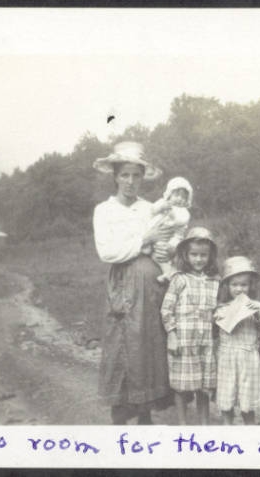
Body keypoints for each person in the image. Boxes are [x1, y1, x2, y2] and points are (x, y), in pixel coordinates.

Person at [92, 141, 176, 425]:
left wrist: (164, 249)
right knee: (122, 345)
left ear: (142, 177)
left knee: (148, 344)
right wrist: (144, 241)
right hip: (123, 284)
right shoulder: (104, 210)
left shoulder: (150, 208)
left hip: (152, 286)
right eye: (125, 175)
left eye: (136, 175)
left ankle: (145, 416)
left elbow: (164, 241)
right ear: (115, 176)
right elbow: (108, 251)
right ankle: (120, 415)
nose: (130, 181)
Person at [160, 226, 220, 425]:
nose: (199, 259)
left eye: (203, 255)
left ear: (210, 256)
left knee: (204, 385)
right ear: (186, 254)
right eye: (194, 254)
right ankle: (183, 426)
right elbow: (166, 309)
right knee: (182, 385)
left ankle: (204, 425)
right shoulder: (179, 279)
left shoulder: (215, 281)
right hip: (184, 341)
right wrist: (172, 334)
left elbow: (220, 310)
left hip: (206, 341)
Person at [214, 256, 260, 425]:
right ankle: (228, 428)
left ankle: (250, 428)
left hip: (248, 357)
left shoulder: (255, 305)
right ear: (227, 286)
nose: (239, 289)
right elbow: (214, 327)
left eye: (244, 285)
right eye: (235, 285)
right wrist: (217, 317)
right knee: (227, 398)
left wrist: (259, 314)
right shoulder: (222, 307)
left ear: (250, 286)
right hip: (227, 357)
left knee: (248, 401)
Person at [142, 176, 193, 283]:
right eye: (176, 195)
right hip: (157, 233)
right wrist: (161, 207)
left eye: (183, 197)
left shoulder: (183, 211)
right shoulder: (163, 203)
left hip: (172, 237)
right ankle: (167, 271)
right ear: (169, 194)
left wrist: (172, 214)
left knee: (162, 252)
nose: (180, 199)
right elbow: (152, 210)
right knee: (155, 253)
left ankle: (168, 272)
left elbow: (181, 220)